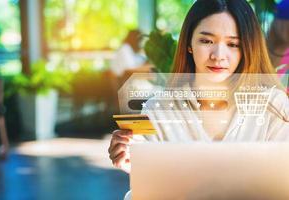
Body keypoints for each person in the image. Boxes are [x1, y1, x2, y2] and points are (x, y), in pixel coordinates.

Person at [108, 0, 289, 176]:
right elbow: (146, 183)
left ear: (247, 49)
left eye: (233, 44)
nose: (218, 56)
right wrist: (132, 162)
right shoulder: (157, 110)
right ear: (189, 44)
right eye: (207, 41)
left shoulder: (274, 107)